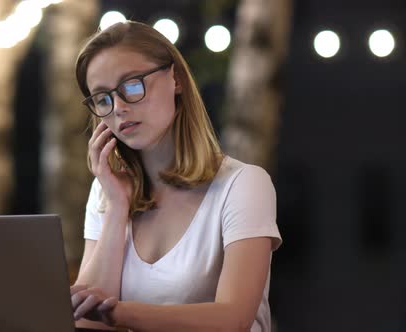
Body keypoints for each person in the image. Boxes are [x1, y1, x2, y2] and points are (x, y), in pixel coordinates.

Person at [70, 20, 282, 332]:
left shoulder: (243, 185)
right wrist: (117, 208)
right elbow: (89, 325)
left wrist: (119, 313)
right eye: (102, 98)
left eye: (131, 86)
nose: (118, 108)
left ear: (176, 79)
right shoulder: (106, 192)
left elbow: (233, 320)